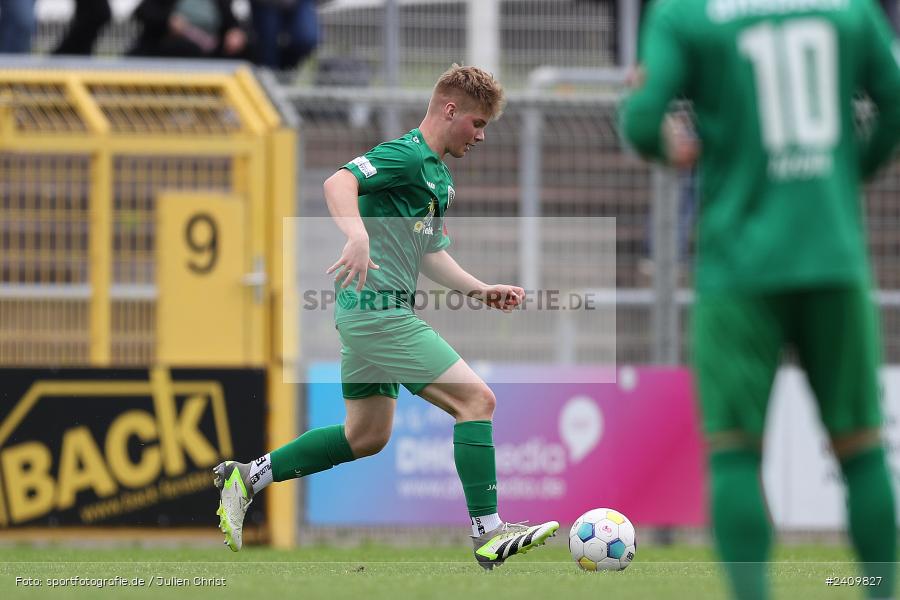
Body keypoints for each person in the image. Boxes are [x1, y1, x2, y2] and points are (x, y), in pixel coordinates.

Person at [213, 64, 559, 569]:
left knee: (366, 436)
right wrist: (356, 234)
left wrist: (480, 290)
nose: (481, 135)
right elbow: (338, 183)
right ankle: (489, 531)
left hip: (371, 312)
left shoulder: (437, 175)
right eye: (478, 123)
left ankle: (246, 477)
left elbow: (431, 253)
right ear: (450, 109)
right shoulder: (406, 154)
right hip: (377, 313)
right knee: (477, 401)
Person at [621, 1, 900, 599]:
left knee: (735, 453)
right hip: (832, 254)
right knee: (859, 449)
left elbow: (644, 119)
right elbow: (896, 94)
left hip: (738, 266)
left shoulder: (684, 13)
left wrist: (672, 148)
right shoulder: (848, 7)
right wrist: (855, 166)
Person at [128, 0, 248, 59]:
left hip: (209, 53)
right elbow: (142, 12)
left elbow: (232, 23)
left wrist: (235, 32)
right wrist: (168, 21)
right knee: (184, 47)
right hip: (168, 50)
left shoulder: (220, 3)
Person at [249, 0, 319, 70]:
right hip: (265, 4)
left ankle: (286, 70)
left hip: (300, 3)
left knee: (307, 39)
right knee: (268, 50)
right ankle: (274, 73)